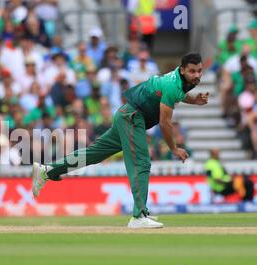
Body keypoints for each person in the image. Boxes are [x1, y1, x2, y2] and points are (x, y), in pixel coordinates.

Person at [32, 53, 209, 229]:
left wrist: (193, 100)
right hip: (133, 117)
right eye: (192, 71)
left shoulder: (180, 80)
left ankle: (47, 171)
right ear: (183, 69)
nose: (196, 75)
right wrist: (174, 148)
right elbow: (164, 122)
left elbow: (176, 94)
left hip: (127, 114)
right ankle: (138, 216)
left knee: (93, 155)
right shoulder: (173, 84)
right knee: (142, 162)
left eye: (199, 71)